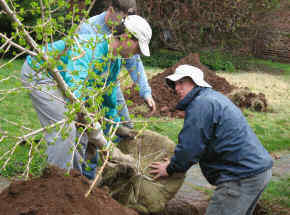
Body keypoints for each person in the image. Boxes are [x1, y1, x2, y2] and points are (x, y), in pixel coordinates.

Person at [21, 15, 152, 177]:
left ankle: (75, 182)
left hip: (65, 80)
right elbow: (76, 88)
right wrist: (98, 135)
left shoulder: (114, 60)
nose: (136, 54)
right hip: (41, 73)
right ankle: (56, 183)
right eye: (138, 48)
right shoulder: (89, 47)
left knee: (81, 133)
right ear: (126, 37)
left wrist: (116, 126)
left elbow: (108, 97)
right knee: (65, 129)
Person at [149, 64, 273, 215]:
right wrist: (176, 161)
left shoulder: (200, 105)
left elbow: (190, 149)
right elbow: (200, 144)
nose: (176, 88)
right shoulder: (211, 98)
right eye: (175, 84)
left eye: (181, 82)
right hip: (255, 171)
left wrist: (170, 169)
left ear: (195, 82)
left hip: (240, 176)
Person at [78, 0, 156, 128]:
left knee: (125, 125)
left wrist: (146, 92)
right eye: (124, 18)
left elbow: (134, 63)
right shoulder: (89, 28)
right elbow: (77, 71)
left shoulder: (125, 33)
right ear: (112, 10)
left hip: (109, 80)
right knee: (89, 125)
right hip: (86, 82)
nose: (125, 23)